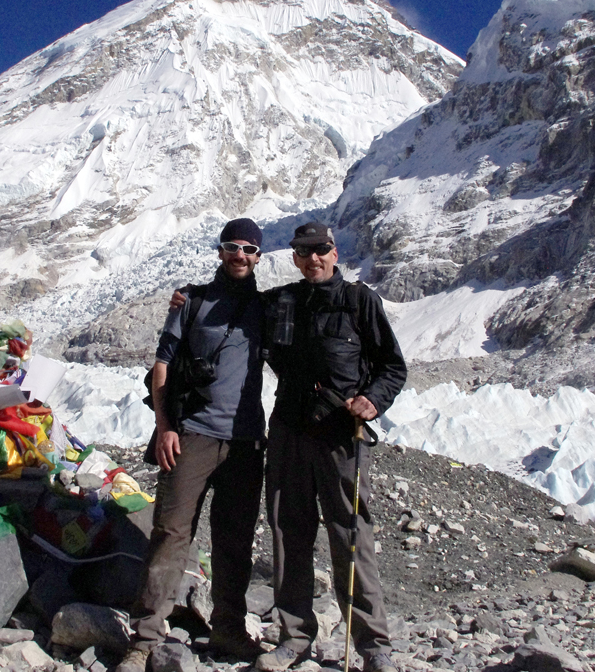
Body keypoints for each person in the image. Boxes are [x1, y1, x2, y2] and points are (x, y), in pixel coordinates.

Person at [116, 218, 268, 672]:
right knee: (171, 533)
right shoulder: (191, 300)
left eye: (248, 248)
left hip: (244, 441)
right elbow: (161, 365)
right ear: (220, 251)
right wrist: (165, 426)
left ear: (259, 256)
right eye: (231, 246)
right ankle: (144, 636)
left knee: (235, 538)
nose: (239, 255)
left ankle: (228, 628)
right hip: (193, 435)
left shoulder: (269, 307)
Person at [256, 221, 407, 672]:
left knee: (350, 534)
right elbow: (236, 302)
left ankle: (373, 645)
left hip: (341, 435)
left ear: (334, 252)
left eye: (320, 249)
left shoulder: (360, 301)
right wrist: (189, 298)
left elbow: (392, 368)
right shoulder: (282, 301)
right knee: (288, 531)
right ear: (296, 259)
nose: (312, 259)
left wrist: (372, 401)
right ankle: (295, 637)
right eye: (303, 252)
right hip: (288, 430)